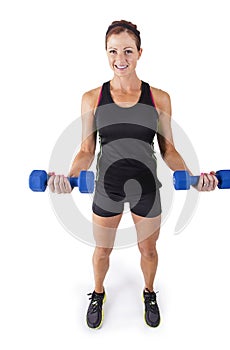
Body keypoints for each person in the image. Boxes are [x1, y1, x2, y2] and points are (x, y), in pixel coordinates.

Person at [48, 20, 218, 329]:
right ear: (106, 53)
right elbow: (86, 150)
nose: (120, 58)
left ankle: (149, 292)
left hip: (146, 188)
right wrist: (68, 179)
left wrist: (195, 178)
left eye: (128, 50)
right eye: (113, 51)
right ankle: (98, 293)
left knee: (149, 250)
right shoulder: (92, 98)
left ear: (140, 53)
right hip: (107, 187)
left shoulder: (159, 98)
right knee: (102, 250)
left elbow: (169, 150)